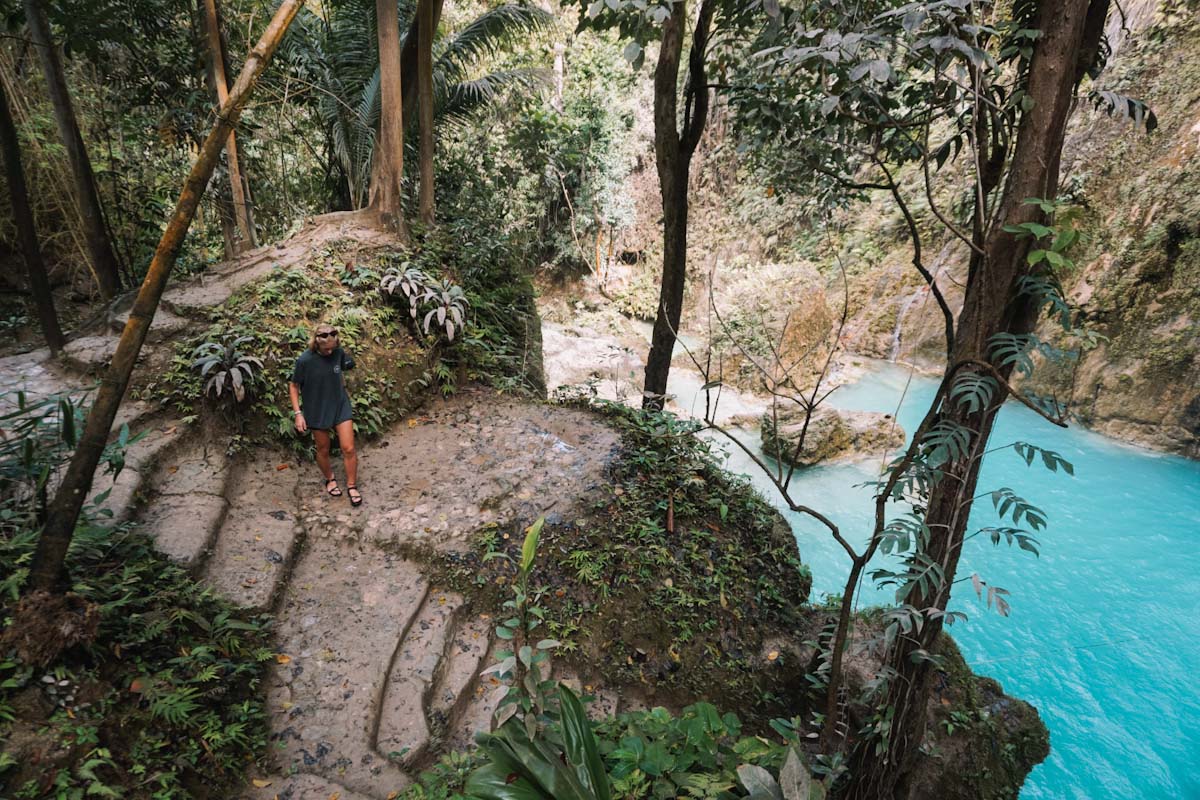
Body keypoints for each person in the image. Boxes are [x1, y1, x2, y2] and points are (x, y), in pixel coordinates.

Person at [289, 323, 362, 506]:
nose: (330, 352)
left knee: (349, 448)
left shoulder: (338, 352)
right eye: (326, 348)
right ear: (317, 343)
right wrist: (298, 413)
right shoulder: (305, 360)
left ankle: (352, 485)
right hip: (316, 408)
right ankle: (330, 478)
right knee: (323, 449)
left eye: (333, 347)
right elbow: (293, 386)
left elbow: (346, 365)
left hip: (339, 404)